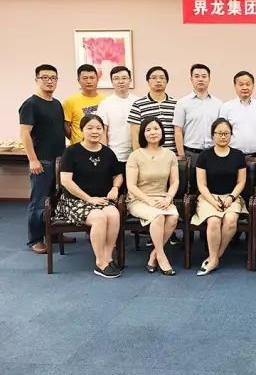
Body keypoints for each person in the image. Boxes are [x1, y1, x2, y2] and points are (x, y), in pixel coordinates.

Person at [55, 114, 123, 278]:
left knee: (113, 214)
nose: (95, 131)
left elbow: (118, 175)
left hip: (101, 199)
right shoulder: (72, 151)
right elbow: (66, 181)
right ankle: (100, 263)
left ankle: (108, 256)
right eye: (90, 128)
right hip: (74, 201)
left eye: (98, 128)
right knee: (99, 217)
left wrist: (115, 188)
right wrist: (88, 198)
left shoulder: (107, 152)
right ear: (82, 130)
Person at [18, 64, 66, 254]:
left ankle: (53, 233)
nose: (49, 81)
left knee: (56, 199)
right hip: (42, 161)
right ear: (36, 80)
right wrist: (33, 159)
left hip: (59, 160)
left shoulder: (57, 104)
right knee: (39, 202)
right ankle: (35, 239)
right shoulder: (30, 104)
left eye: (53, 78)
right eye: (45, 77)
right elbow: (24, 133)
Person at [191, 118, 247, 275]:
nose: (223, 136)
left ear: (231, 135)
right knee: (214, 220)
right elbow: (201, 184)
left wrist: (231, 198)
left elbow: (241, 182)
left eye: (226, 133)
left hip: (232, 197)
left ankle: (214, 258)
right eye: (219, 133)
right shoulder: (204, 156)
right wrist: (212, 201)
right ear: (213, 135)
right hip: (208, 197)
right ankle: (214, 259)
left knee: (230, 221)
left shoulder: (238, 155)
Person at [126, 117, 180, 276]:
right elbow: (131, 186)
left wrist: (168, 198)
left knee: (173, 217)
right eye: (148, 130)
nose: (153, 132)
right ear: (143, 134)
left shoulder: (170, 155)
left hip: (162, 198)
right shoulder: (135, 155)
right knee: (159, 217)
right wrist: (148, 200)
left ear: (162, 131)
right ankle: (161, 257)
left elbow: (175, 182)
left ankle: (154, 254)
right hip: (139, 199)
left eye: (156, 128)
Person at [173, 63, 222, 163]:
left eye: (204, 76)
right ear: (191, 79)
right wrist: (182, 157)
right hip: (191, 154)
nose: (200, 79)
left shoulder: (218, 103)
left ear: (209, 79)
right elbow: (178, 131)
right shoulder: (182, 103)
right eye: (196, 76)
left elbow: (222, 129)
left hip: (214, 152)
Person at [97, 66, 139, 175]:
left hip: (137, 155)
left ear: (130, 80)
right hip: (114, 156)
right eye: (116, 78)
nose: (120, 81)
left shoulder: (138, 102)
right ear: (112, 82)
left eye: (124, 78)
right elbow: (102, 131)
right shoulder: (105, 103)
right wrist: (105, 155)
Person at [128, 66, 178, 153]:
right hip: (148, 156)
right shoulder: (138, 104)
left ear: (167, 81)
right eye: (154, 78)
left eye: (162, 78)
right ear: (148, 81)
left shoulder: (176, 104)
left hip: (172, 155)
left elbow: (180, 132)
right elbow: (135, 137)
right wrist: (140, 157)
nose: (158, 80)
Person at [219, 71, 256, 157]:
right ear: (235, 86)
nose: (245, 87)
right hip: (232, 155)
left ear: (253, 86)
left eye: (248, 84)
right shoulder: (226, 107)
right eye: (241, 84)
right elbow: (221, 132)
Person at [63, 64, 105, 144]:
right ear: (78, 80)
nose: (89, 81)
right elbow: (66, 126)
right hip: (78, 147)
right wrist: (75, 139)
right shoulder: (70, 101)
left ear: (97, 79)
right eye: (85, 78)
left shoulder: (105, 101)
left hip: (100, 146)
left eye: (92, 78)